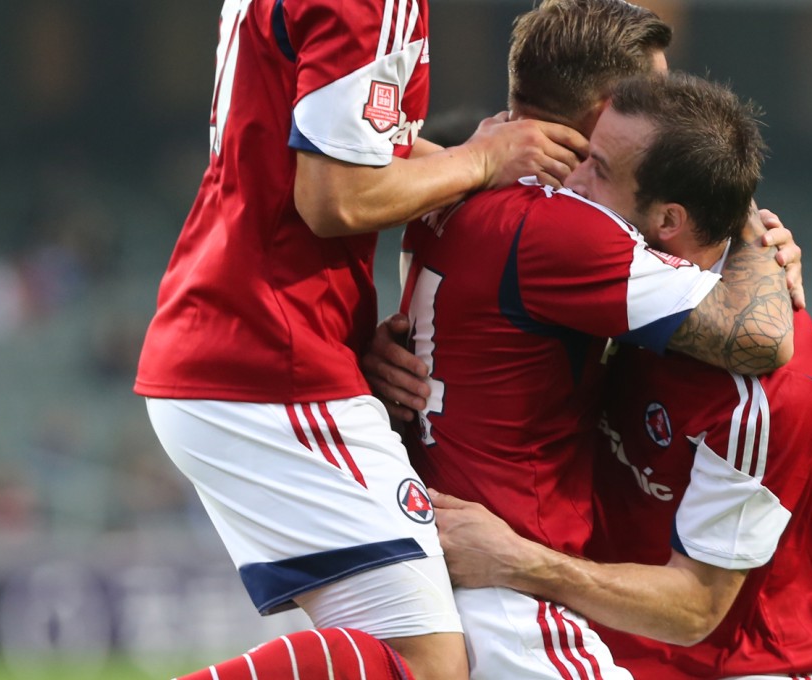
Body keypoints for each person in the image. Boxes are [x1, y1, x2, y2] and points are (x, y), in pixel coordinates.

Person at [133, 0, 590, 677]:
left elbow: (339, 150)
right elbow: (334, 198)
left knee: (413, 657)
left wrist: (481, 163)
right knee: (427, 662)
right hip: (272, 356)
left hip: (245, 338)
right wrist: (481, 160)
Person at [378, 3, 795, 676]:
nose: (668, 113)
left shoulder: (452, 175)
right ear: (607, 109)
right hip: (511, 600)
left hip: (448, 561)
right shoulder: (557, 228)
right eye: (652, 96)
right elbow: (762, 337)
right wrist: (751, 223)